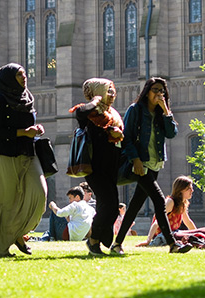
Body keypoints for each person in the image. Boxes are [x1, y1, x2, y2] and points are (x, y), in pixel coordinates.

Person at [110, 77, 192, 254]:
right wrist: (136, 160)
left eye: (162, 91)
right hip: (141, 164)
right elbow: (127, 138)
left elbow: (171, 134)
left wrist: (166, 111)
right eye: (156, 90)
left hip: (155, 164)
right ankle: (172, 244)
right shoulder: (135, 110)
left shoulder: (162, 113)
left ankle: (116, 244)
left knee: (135, 205)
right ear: (147, 92)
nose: (159, 93)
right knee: (159, 200)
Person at [0, 63, 47, 257]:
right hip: (6, 153)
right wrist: (24, 132)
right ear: (9, 78)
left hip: (28, 152)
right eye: (19, 75)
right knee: (7, 201)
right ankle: (2, 246)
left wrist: (36, 129)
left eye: (24, 74)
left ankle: (17, 233)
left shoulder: (27, 98)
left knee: (39, 195)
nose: (24, 77)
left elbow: (28, 124)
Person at [69, 78, 124, 255]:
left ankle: (97, 241)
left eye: (112, 90)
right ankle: (93, 240)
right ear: (97, 91)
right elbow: (81, 113)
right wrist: (96, 101)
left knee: (109, 206)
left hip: (111, 167)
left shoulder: (112, 114)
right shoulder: (90, 113)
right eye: (108, 90)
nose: (112, 94)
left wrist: (117, 134)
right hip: (95, 168)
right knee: (110, 205)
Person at [136, 176, 205, 249]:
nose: (192, 191)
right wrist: (148, 241)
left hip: (175, 232)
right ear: (181, 190)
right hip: (164, 236)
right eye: (189, 189)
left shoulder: (183, 203)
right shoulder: (170, 202)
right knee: (190, 235)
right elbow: (157, 221)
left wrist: (196, 233)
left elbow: (188, 221)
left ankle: (201, 241)